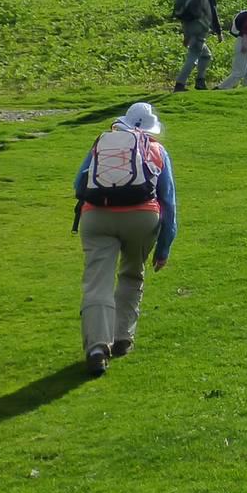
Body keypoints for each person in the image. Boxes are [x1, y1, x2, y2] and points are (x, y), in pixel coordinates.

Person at [73, 102, 177, 375]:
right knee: (131, 274)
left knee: (97, 282)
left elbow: (78, 184)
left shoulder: (102, 143)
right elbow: (168, 202)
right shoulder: (157, 150)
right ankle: (122, 338)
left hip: (96, 217)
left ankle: (97, 346)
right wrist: (164, 246)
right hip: (141, 218)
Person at [172, 0, 223, 92]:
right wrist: (219, 32)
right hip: (199, 28)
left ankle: (200, 82)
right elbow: (213, 14)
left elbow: (185, 17)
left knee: (206, 55)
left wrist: (186, 35)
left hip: (190, 27)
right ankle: (180, 85)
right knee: (193, 56)